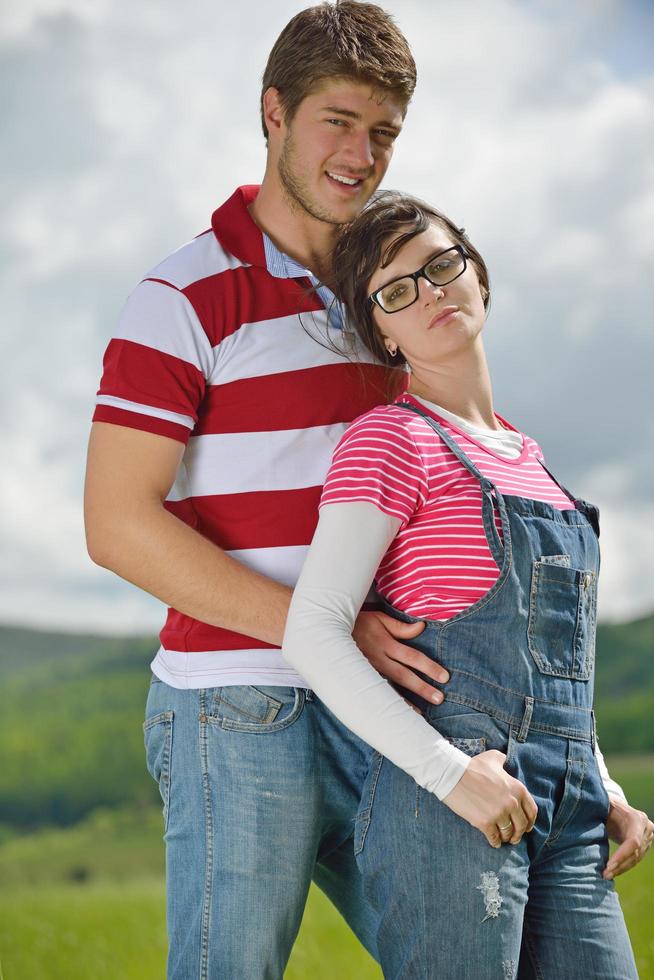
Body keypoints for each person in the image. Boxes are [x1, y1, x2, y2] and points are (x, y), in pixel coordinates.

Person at [83, 4, 443, 977]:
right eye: (339, 121)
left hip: (388, 701)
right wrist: (322, 626)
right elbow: (116, 526)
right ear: (273, 112)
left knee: (477, 949)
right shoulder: (183, 296)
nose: (361, 154)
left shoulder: (395, 297)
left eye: (384, 133)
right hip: (241, 706)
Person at [283, 192, 653, 978]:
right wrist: (451, 777)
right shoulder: (390, 439)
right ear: (381, 331)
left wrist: (605, 783)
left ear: (476, 274)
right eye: (397, 291)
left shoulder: (532, 457)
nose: (431, 291)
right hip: (451, 805)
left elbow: (552, 662)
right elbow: (313, 629)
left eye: (442, 264)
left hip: (572, 808)